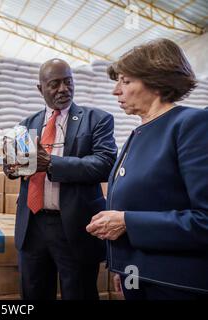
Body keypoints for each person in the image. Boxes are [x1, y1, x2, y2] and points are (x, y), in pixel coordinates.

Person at [86, 38, 208, 299]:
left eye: (125, 81)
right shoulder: (138, 133)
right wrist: (123, 267)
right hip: (137, 275)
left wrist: (127, 222)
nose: (116, 91)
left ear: (156, 82)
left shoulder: (190, 125)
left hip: (175, 284)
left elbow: (204, 220)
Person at [4, 59, 117, 300]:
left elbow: (105, 165)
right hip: (33, 226)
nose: (63, 89)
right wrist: (12, 166)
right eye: (54, 84)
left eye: (68, 82)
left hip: (75, 227)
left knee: (79, 292)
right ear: (40, 88)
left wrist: (52, 164)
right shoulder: (26, 125)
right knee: (33, 292)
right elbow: (17, 170)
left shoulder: (96, 119)